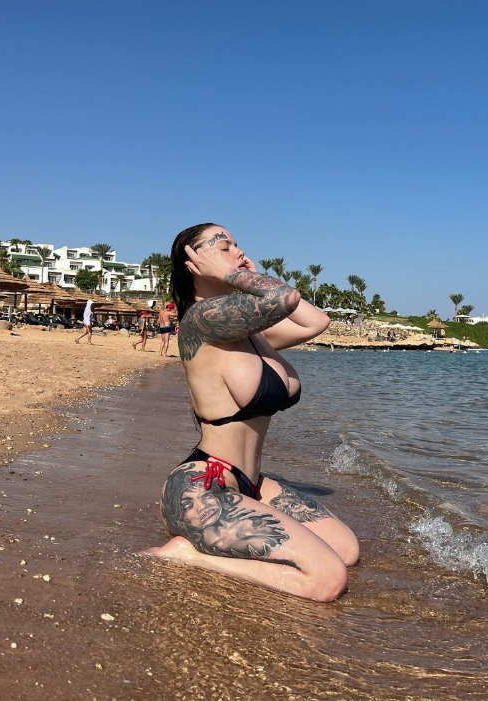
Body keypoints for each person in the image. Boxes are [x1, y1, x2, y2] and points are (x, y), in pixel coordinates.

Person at [145, 224, 359, 601]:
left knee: (346, 550)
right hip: (205, 487)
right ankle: (188, 556)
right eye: (224, 246)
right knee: (328, 580)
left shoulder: (252, 333)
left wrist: (237, 274)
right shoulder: (201, 320)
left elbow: (317, 321)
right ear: (194, 264)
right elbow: (285, 297)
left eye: (237, 245)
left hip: (251, 481)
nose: (239, 252)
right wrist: (233, 275)